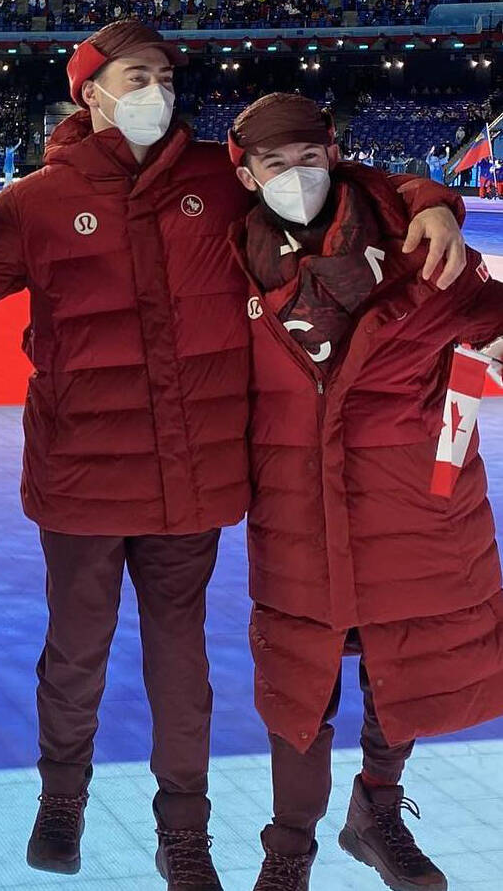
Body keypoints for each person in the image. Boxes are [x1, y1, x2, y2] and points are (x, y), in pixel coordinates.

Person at [0, 19, 469, 890]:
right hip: (81, 471)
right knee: (75, 651)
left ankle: (185, 833)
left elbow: (335, 177)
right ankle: (61, 799)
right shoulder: (32, 200)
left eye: (165, 75)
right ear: (88, 91)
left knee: (181, 664)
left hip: (193, 471)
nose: (156, 91)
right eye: (134, 76)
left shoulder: (220, 177)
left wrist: (428, 192)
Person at [227, 93, 503, 891]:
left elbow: (486, 318)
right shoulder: (226, 259)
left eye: (308, 158)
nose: (295, 176)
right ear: (245, 174)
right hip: (293, 497)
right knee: (298, 680)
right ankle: (287, 852)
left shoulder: (419, 249)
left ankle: (375, 811)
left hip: (410, 498)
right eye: (275, 164)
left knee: (403, 662)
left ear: (334, 154)